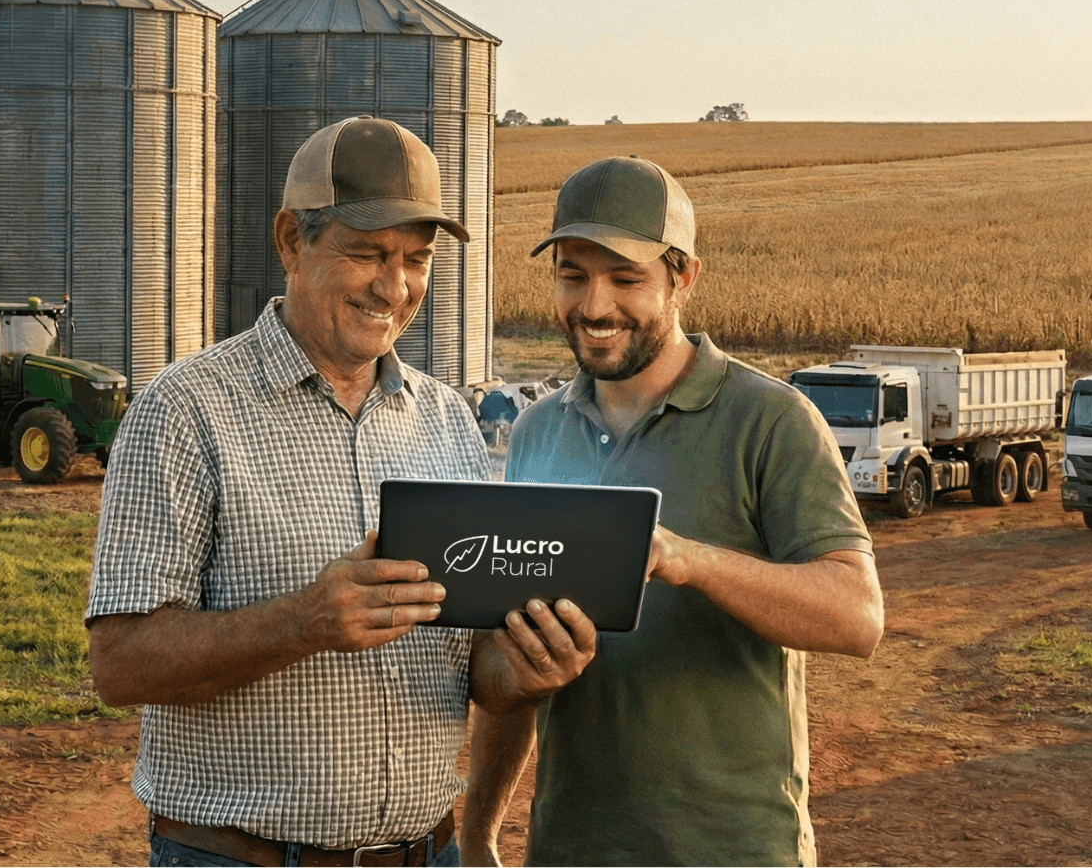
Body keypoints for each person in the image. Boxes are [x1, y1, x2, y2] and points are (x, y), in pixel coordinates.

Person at [87, 117, 596, 868]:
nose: (395, 287)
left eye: (417, 260)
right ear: (292, 241)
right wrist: (305, 621)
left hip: (427, 852)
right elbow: (120, 663)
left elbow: (473, 662)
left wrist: (519, 673)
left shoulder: (449, 421)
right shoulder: (187, 409)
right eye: (367, 253)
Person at [460, 156, 884, 867]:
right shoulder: (538, 431)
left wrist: (691, 560)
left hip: (733, 850)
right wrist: (478, 831)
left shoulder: (771, 422)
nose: (593, 307)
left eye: (625, 278)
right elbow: (516, 664)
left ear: (683, 277)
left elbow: (858, 615)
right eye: (573, 275)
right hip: (572, 848)